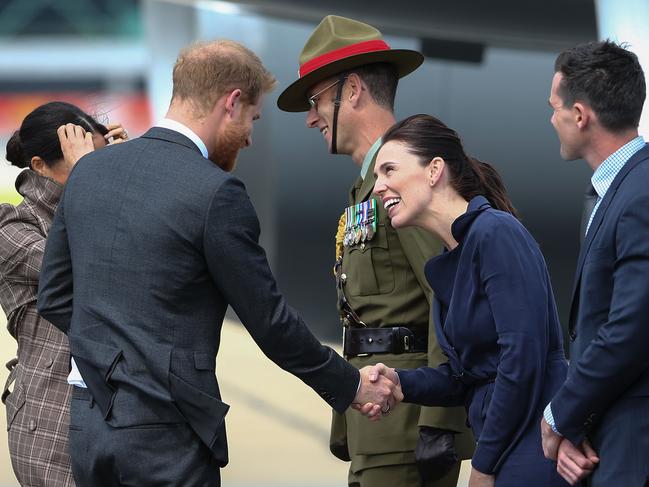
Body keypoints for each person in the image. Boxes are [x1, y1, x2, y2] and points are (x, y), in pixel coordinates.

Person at [36, 40, 397, 486]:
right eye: (253, 118)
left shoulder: (89, 172)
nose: (249, 136)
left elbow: (52, 296)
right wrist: (351, 385)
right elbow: (269, 322)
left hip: (89, 428)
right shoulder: (215, 193)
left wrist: (111, 361)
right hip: (167, 432)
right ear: (232, 102)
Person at [277, 15, 472, 487]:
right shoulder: (369, 186)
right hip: (378, 427)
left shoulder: (404, 177)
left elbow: (448, 293)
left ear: (355, 90)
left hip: (407, 428)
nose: (310, 117)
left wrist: (439, 423)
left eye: (316, 100)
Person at [361, 114, 570, 487]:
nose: (379, 187)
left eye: (389, 170)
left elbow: (521, 360)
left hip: (533, 443)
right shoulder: (448, 258)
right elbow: (465, 379)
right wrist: (400, 383)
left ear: (434, 170)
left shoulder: (495, 233)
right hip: (503, 440)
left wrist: (484, 464)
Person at [0, 101, 127, 486]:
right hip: (51, 419)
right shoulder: (13, 226)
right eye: (84, 162)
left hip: (118, 418)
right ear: (39, 165)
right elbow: (89, 269)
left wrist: (135, 180)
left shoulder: (103, 207)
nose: (99, 173)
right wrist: (98, 183)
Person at [540, 40, 649, 486]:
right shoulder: (621, 189)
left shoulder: (640, 193)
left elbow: (630, 328)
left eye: (555, 107)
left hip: (634, 450)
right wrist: (574, 429)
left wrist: (558, 417)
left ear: (581, 115)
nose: (551, 119)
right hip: (605, 444)